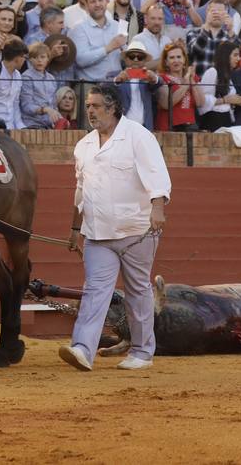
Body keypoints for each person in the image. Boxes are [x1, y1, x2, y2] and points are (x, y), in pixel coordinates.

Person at [60, 83, 170, 372]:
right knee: (95, 290)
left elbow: (157, 175)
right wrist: (74, 229)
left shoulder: (138, 136)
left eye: (96, 106)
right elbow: (80, 190)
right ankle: (83, 348)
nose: (90, 111)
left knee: (137, 290)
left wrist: (158, 208)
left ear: (113, 108)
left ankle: (143, 352)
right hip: (97, 232)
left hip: (136, 229)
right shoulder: (83, 146)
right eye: (88, 107)